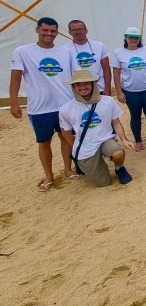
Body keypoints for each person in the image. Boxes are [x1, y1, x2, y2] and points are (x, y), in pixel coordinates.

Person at [10, 17, 76, 191]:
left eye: (53, 31)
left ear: (57, 32)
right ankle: (49, 175)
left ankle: (68, 169)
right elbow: (16, 78)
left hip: (65, 105)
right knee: (44, 142)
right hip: (40, 108)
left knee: (66, 139)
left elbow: (74, 78)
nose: (49, 34)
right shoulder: (23, 51)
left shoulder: (65, 52)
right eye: (45, 30)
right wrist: (14, 103)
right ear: (37, 30)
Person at [59, 70, 134, 186]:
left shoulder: (108, 101)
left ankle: (119, 168)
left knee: (118, 153)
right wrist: (76, 145)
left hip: (105, 140)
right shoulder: (66, 109)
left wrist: (124, 139)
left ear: (93, 84)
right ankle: (95, 165)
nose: (82, 87)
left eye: (86, 83)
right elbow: (66, 131)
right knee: (104, 183)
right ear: (73, 87)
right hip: (86, 148)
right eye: (78, 84)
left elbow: (116, 122)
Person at [111, 27, 146, 150]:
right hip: (131, 91)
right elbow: (116, 73)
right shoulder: (118, 53)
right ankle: (138, 140)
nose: (133, 39)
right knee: (135, 116)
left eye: (136, 37)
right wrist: (119, 91)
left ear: (140, 39)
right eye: (131, 37)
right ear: (125, 38)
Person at [65, 19, 111, 96]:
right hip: (78, 91)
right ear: (69, 32)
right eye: (74, 30)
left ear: (86, 31)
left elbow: (106, 70)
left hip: (99, 90)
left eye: (80, 29)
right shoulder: (65, 49)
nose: (78, 32)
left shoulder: (99, 46)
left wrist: (107, 89)